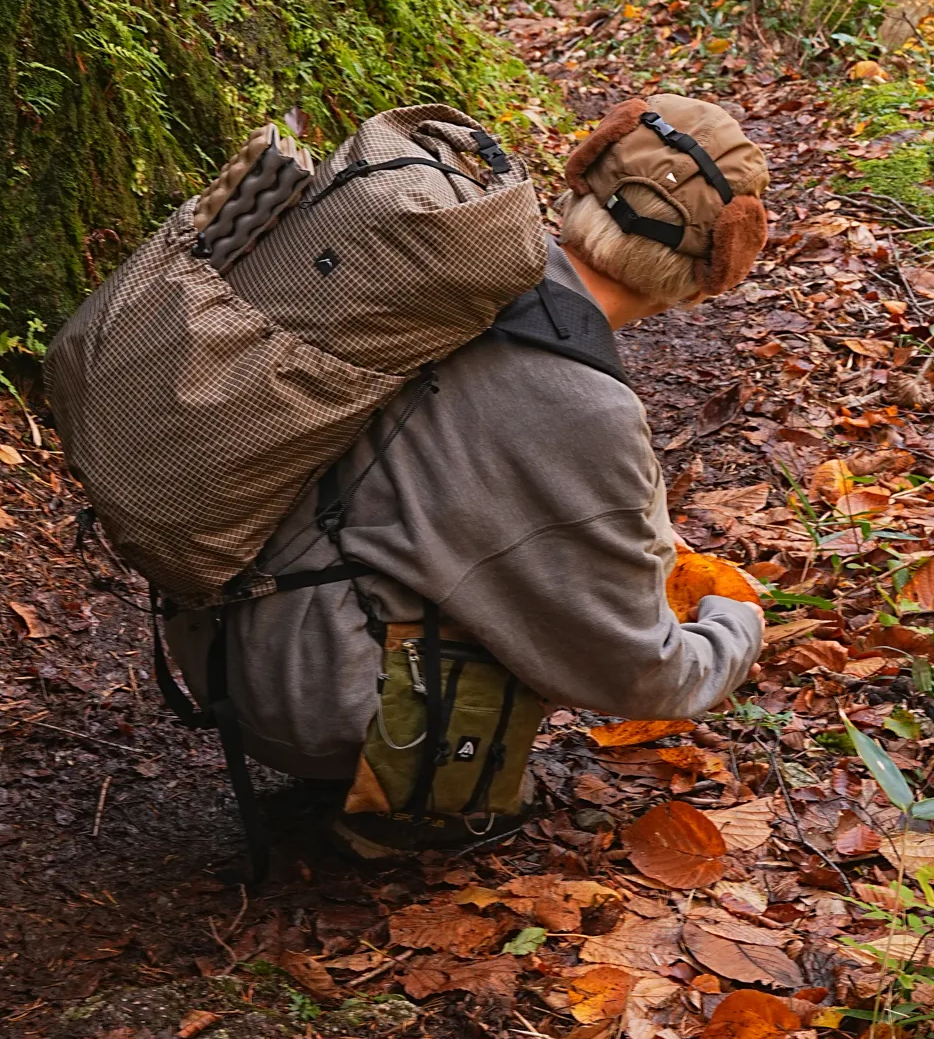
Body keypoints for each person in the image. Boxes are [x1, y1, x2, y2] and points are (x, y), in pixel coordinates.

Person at [160, 93, 772, 810]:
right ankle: (399, 805)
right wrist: (737, 625)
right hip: (313, 697)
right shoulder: (586, 409)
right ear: (711, 271)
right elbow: (643, 671)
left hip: (213, 627)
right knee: (557, 620)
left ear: (582, 181)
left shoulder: (454, 265)